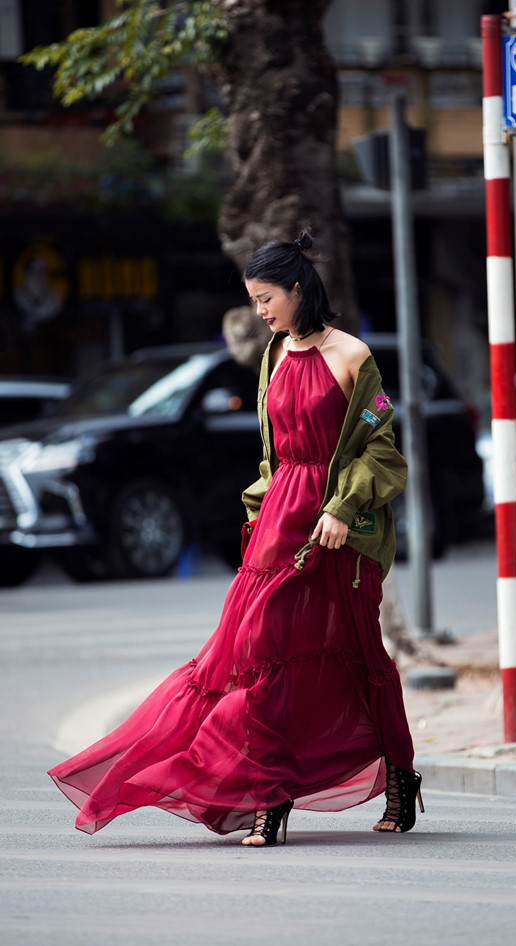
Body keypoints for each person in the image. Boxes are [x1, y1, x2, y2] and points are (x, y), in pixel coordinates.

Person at [48, 230, 424, 846]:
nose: (260, 312)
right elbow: (275, 453)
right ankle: (270, 797)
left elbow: (382, 451)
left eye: (266, 298)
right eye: (253, 301)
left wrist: (341, 508)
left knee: (359, 655)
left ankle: (400, 779)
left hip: (336, 532)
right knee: (257, 652)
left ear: (298, 289)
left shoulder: (354, 356)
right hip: (279, 524)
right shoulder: (274, 354)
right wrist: (258, 509)